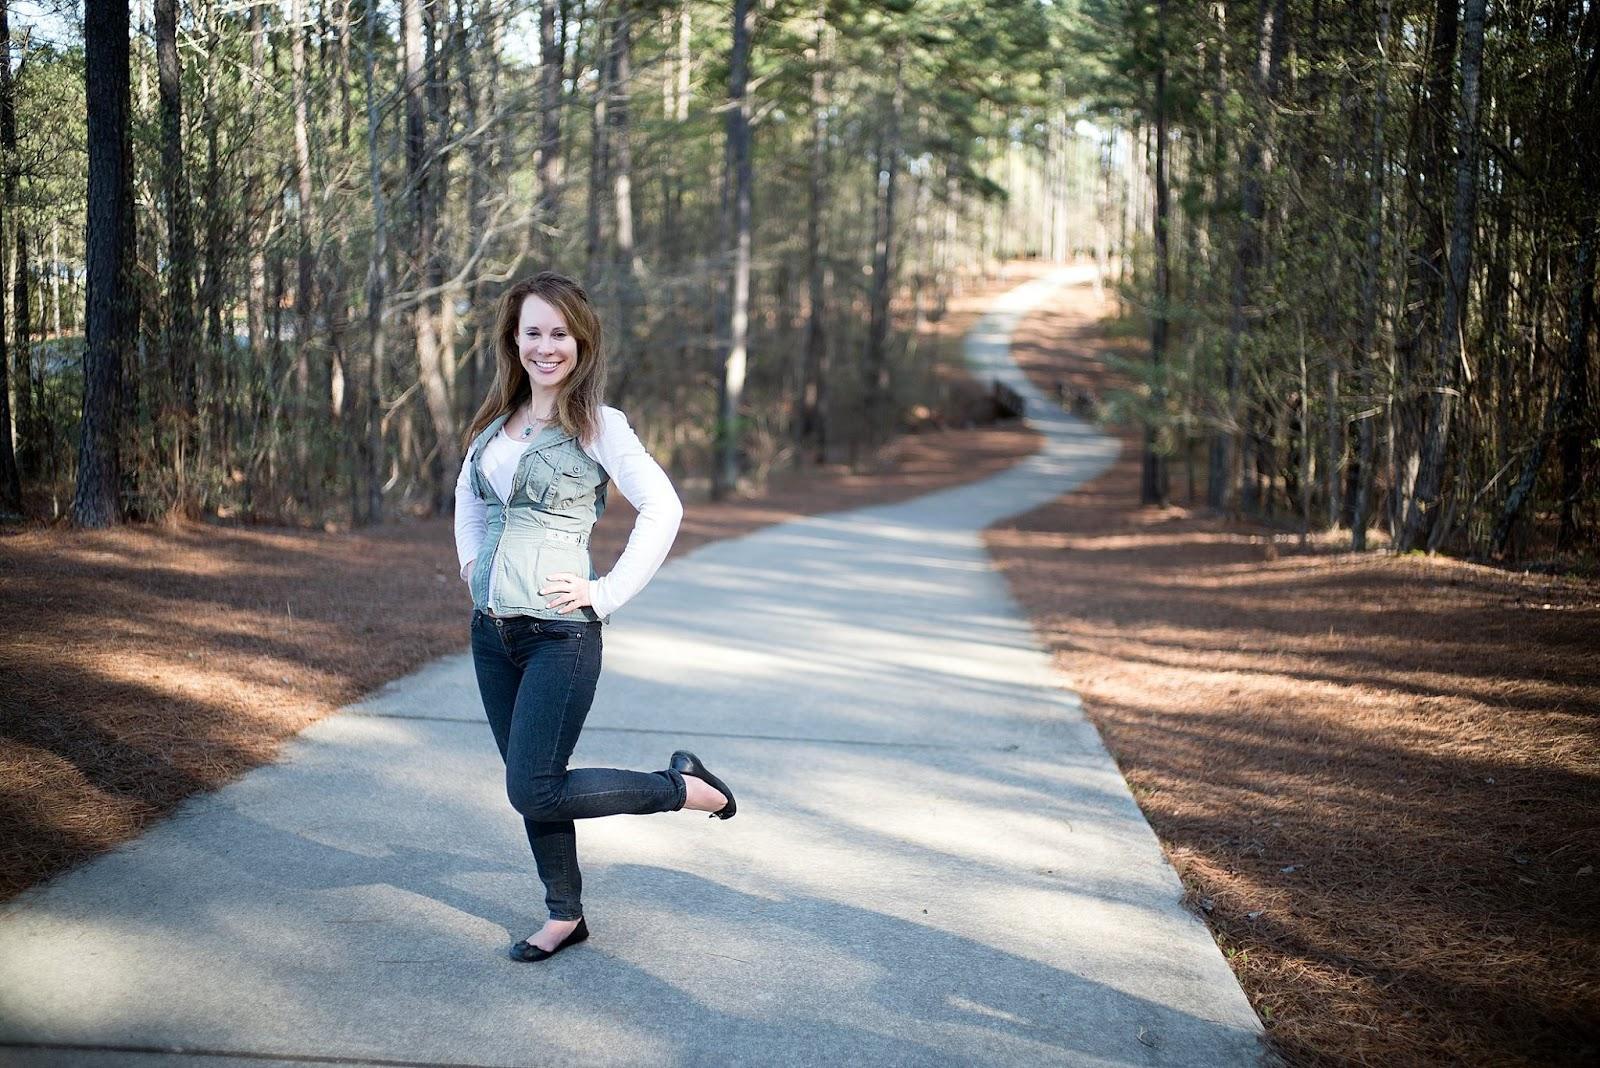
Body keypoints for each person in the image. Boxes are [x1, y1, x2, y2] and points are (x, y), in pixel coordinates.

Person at [453, 271, 737, 963]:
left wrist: (604, 593)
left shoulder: (598, 426)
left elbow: (664, 509)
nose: (545, 347)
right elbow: (469, 498)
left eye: (559, 333)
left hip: (560, 635)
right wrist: (470, 568)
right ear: (513, 339)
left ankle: (682, 789)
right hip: (493, 634)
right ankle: (564, 915)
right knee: (536, 789)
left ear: (581, 342)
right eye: (532, 333)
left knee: (534, 786)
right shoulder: (495, 423)